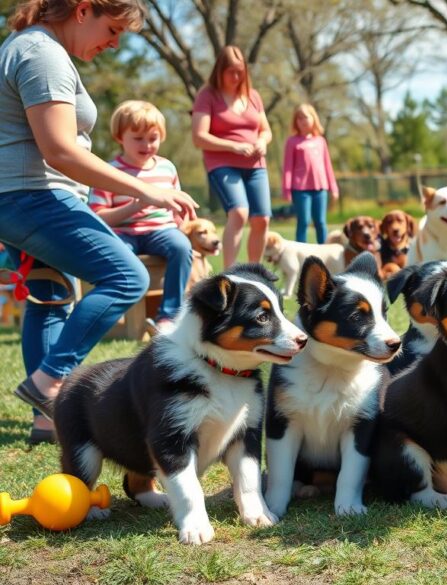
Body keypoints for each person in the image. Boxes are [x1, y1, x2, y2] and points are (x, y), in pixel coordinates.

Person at [0, 0, 197, 443]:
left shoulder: (30, 46)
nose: (114, 43)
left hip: (22, 197)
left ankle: (47, 422)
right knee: (126, 276)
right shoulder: (42, 54)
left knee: (50, 294)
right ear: (83, 10)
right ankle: (50, 382)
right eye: (112, 29)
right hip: (34, 196)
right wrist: (145, 189)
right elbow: (62, 150)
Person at [88, 100, 193, 335]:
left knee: (181, 247)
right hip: (123, 233)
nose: (147, 145)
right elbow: (99, 217)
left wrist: (181, 223)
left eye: (153, 138)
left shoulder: (166, 168)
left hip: (161, 231)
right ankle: (112, 317)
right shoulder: (110, 171)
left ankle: (169, 317)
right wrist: (135, 206)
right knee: (117, 257)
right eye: (138, 138)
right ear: (119, 137)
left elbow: (176, 209)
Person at [191, 45, 273, 267]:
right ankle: (230, 274)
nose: (236, 77)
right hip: (223, 163)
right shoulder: (207, 95)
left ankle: (254, 272)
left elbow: (266, 130)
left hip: (256, 164)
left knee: (262, 219)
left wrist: (262, 141)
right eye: (231, 72)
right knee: (239, 212)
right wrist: (233, 146)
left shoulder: (253, 96)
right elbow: (199, 137)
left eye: (241, 71)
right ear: (220, 71)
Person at [282, 103, 338, 244]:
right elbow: (288, 167)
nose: (302, 121)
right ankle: (302, 254)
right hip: (300, 189)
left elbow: (327, 166)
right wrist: (287, 189)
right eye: (299, 118)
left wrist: (333, 188)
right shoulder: (292, 142)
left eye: (305, 117)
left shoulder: (320, 141)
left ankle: (324, 251)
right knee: (304, 221)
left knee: (320, 222)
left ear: (313, 118)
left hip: (320, 188)